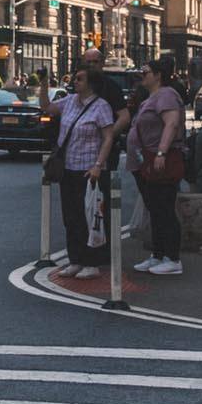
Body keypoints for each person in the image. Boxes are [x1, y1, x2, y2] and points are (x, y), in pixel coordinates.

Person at [46, 64, 115, 280]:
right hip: (68, 167)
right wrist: (41, 84)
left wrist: (98, 164)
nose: (75, 82)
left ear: (91, 84)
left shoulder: (101, 106)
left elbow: (108, 137)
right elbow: (47, 108)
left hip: (88, 169)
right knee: (71, 217)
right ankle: (75, 259)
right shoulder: (69, 102)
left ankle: (92, 262)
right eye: (75, 79)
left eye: (80, 79)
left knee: (90, 217)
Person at [128, 55, 186, 275]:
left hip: (160, 160)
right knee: (154, 209)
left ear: (158, 76)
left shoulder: (167, 95)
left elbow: (171, 124)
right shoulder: (151, 97)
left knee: (164, 209)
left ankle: (173, 259)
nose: (142, 77)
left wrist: (161, 152)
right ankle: (158, 254)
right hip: (147, 161)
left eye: (146, 73)